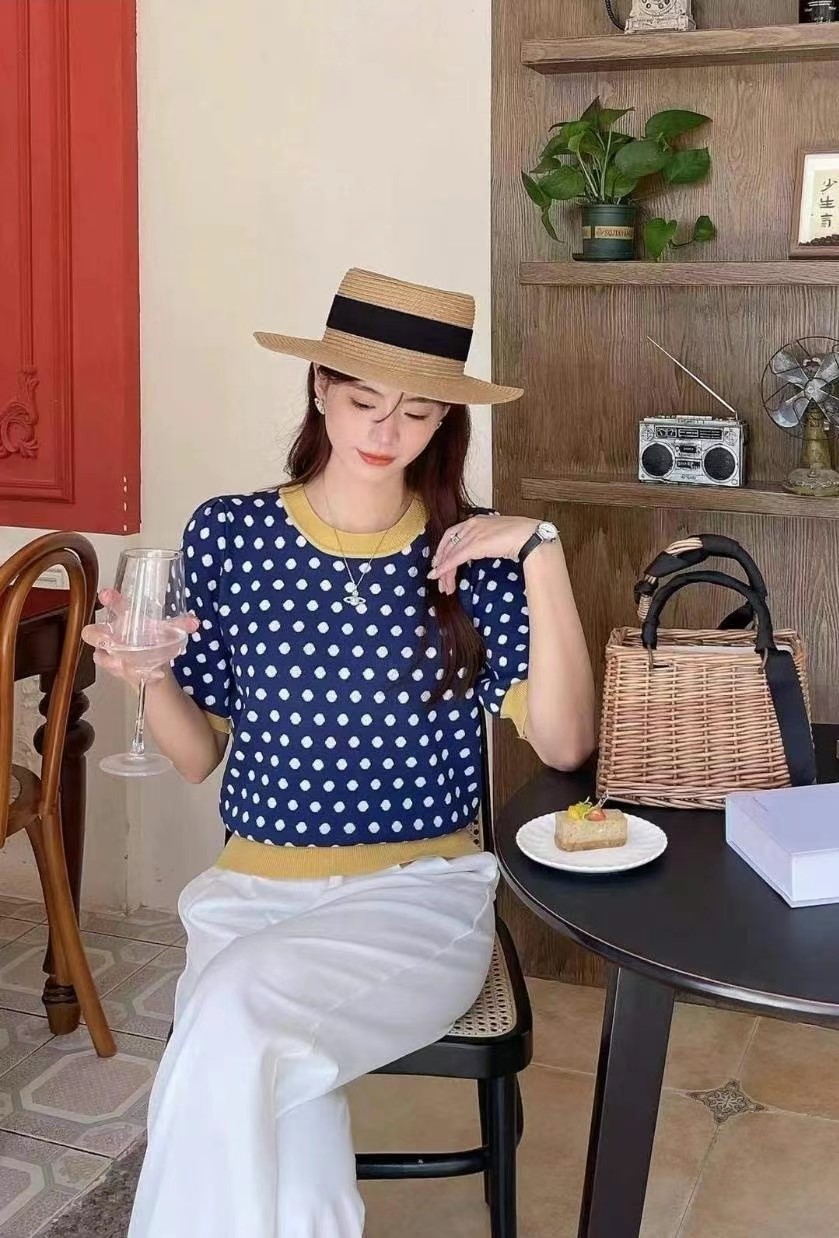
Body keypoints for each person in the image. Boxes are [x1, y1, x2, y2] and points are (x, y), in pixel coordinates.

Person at [97, 268, 595, 1237]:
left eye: (416, 412)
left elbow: (568, 740)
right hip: (251, 896)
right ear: (321, 387)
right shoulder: (231, 534)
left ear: (444, 421)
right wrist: (146, 676)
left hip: (419, 897)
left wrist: (542, 553)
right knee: (263, 1089)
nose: (385, 430)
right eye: (365, 400)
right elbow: (196, 757)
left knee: (228, 1028)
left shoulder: (469, 554)